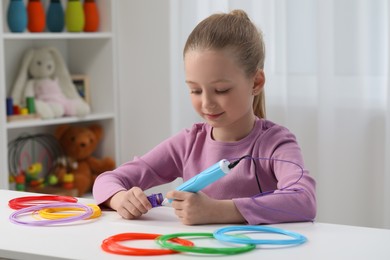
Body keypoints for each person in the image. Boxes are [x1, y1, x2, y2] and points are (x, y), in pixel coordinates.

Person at [93, 9, 316, 225]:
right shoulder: (188, 143)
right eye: (195, 90)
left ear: (256, 82)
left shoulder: (276, 143)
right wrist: (121, 199)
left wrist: (218, 211)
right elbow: (106, 181)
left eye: (221, 90)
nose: (207, 103)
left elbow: (303, 200)